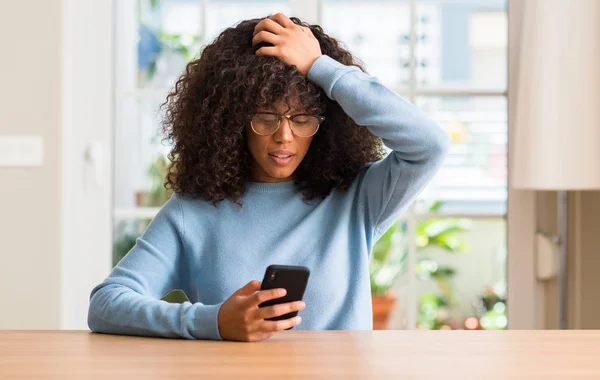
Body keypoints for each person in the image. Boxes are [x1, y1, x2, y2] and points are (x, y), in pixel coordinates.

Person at [88, 13, 450, 342]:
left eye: (303, 118)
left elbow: (429, 144)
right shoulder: (193, 212)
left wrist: (320, 68)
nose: (285, 136)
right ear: (233, 122)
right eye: (266, 116)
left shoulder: (357, 198)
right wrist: (212, 323)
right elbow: (106, 304)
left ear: (326, 124)